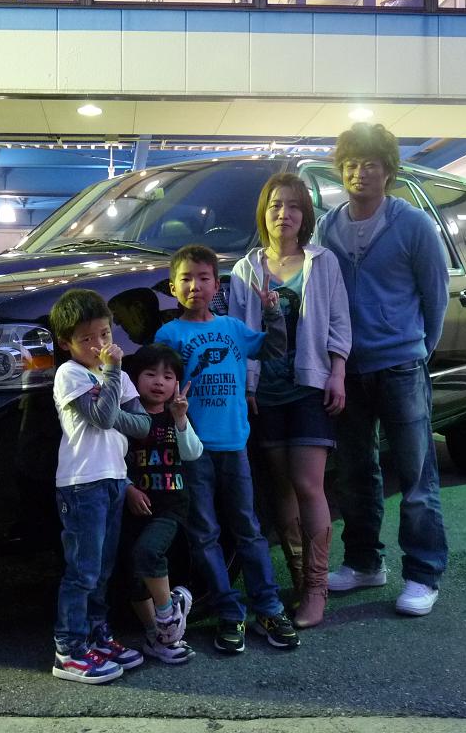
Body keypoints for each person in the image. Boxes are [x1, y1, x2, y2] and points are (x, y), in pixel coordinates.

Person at [313, 123, 450, 617]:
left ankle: (423, 575)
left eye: (370, 164)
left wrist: (416, 350)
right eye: (351, 164)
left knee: (416, 478)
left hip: (401, 366)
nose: (359, 173)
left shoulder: (413, 225)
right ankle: (364, 563)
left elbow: (436, 297)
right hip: (347, 369)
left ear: (388, 171)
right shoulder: (328, 226)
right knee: (355, 474)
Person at [155, 244, 300, 654]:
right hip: (193, 450)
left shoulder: (233, 328)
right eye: (185, 279)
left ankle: (268, 607)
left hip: (235, 444)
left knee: (248, 529)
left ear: (216, 286)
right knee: (204, 533)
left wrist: (273, 313)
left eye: (203, 278)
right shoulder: (169, 335)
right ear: (173, 288)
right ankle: (228, 611)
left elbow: (272, 349)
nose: (195, 286)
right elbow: (158, 383)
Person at [229, 173, 351, 628]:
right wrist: (246, 387)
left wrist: (337, 372)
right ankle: (299, 581)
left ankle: (317, 588)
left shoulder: (323, 262)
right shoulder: (245, 269)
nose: (284, 214)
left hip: (309, 387)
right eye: (276, 205)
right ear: (264, 213)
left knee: (308, 485)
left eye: (294, 205)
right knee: (280, 487)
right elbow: (239, 334)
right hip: (265, 392)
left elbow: (339, 322)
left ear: (306, 215)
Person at [48, 288, 152, 684]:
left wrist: (111, 396)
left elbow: (142, 426)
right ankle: (69, 649)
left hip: (114, 479)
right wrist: (110, 378)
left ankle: (97, 636)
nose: (99, 345)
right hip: (81, 484)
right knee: (83, 571)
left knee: (103, 569)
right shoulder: (71, 374)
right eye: (87, 338)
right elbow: (105, 417)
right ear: (67, 343)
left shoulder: (119, 376)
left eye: (105, 334)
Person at [122, 343, 201, 665]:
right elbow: (114, 459)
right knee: (132, 574)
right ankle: (158, 637)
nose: (159, 382)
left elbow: (193, 453)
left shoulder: (175, 415)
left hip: (170, 506)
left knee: (148, 553)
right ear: (134, 378)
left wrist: (180, 418)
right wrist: (128, 489)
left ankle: (169, 616)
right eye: (150, 374)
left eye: (168, 377)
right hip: (134, 506)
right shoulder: (127, 417)